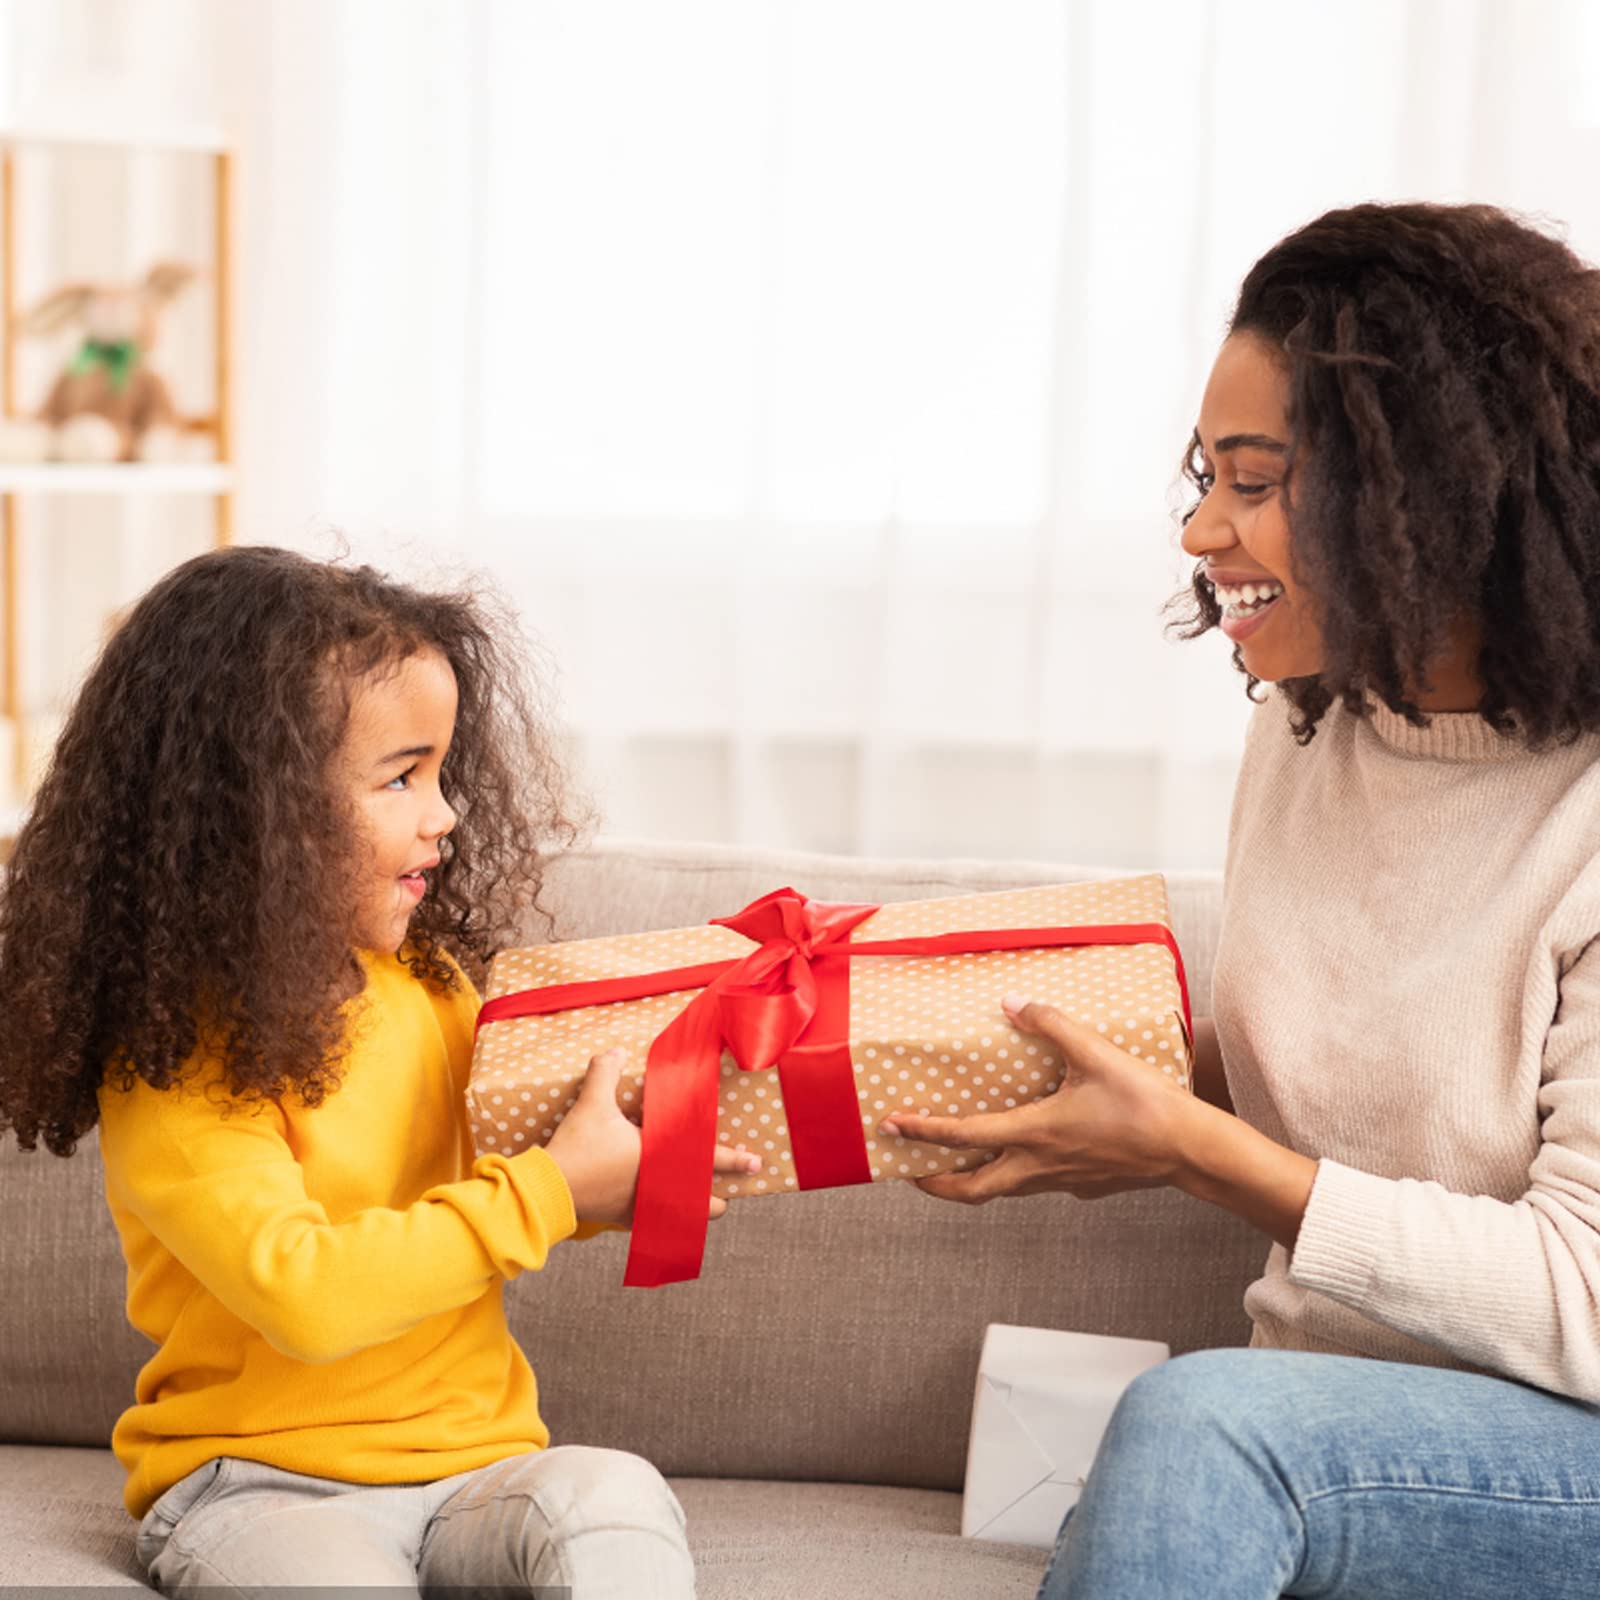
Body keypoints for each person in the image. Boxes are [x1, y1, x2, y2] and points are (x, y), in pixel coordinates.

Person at [880, 202, 1600, 1598]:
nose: (1205, 528)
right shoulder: (1312, 723)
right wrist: (1042, 1063)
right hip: (1323, 1429)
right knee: (1175, 1467)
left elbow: (1586, 1297)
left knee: (1198, 1431)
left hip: (1566, 1456)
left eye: (1258, 480)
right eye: (1206, 476)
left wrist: (1192, 1151)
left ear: (1431, 494)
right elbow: (1358, 1060)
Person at [0, 545, 760, 1597]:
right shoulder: (175, 1061)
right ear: (253, 809)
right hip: (256, 1489)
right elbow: (307, 1294)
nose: (442, 811)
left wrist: (613, 1179)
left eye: (442, 771)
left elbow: (501, 1173)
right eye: (401, 776)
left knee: (611, 1495)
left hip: (479, 1472)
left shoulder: (434, 986)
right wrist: (549, 1195)